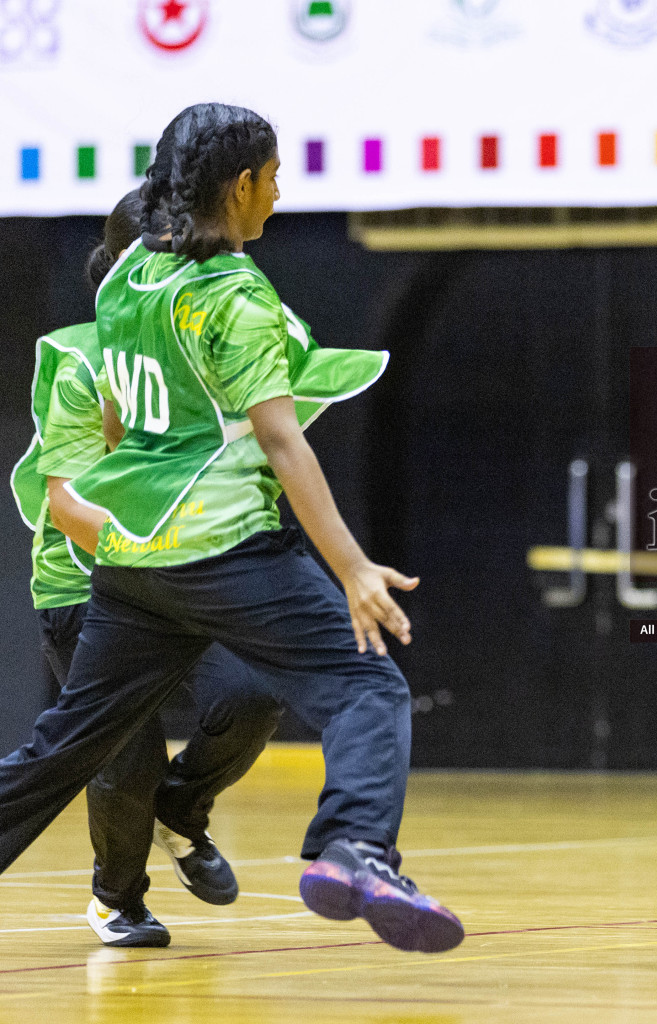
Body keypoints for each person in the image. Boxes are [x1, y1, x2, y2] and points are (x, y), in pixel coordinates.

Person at [0, 102, 462, 954]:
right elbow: (283, 440)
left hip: (134, 563)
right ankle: (354, 850)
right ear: (241, 184)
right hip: (223, 543)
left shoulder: (129, 278)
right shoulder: (234, 294)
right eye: (275, 179)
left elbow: (126, 416)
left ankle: (201, 817)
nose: (279, 197)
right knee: (368, 685)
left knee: (66, 744)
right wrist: (354, 565)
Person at [9, 191, 290, 947]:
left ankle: (184, 808)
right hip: (87, 583)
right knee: (116, 759)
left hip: (187, 576)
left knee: (255, 693)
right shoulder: (79, 357)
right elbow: (70, 508)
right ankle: (117, 899)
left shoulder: (216, 343)